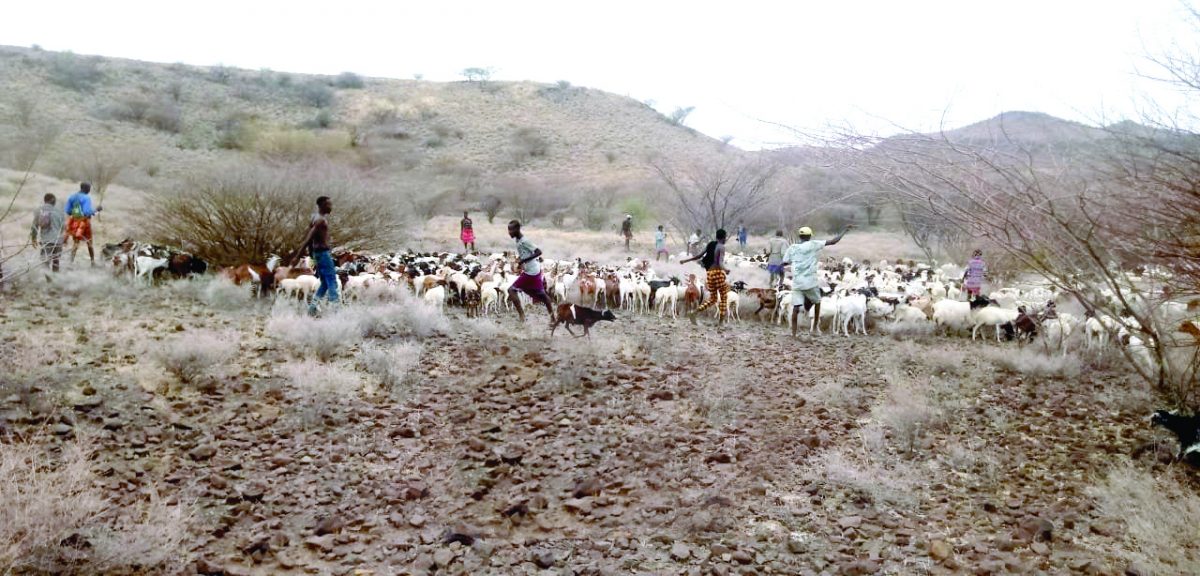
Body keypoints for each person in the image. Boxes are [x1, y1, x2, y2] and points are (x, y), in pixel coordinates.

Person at [784, 225, 852, 338]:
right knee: (818, 302)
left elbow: (785, 262)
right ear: (810, 236)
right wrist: (844, 230)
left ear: (799, 236)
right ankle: (815, 327)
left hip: (797, 282)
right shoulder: (814, 244)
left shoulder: (792, 248)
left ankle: (794, 333)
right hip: (810, 281)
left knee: (795, 307)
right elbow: (833, 241)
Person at [290, 196, 337, 316]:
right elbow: (308, 238)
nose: (331, 207)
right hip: (323, 253)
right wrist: (297, 256)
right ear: (322, 205)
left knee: (325, 284)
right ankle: (336, 311)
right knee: (332, 281)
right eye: (328, 204)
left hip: (317, 254)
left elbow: (311, 240)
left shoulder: (313, 218)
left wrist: (312, 255)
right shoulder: (320, 220)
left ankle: (312, 308)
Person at [506, 220, 555, 324]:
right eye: (508, 229)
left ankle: (522, 316)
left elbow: (538, 252)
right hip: (534, 270)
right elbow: (526, 253)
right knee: (542, 295)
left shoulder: (524, 241)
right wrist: (520, 260)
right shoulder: (518, 240)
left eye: (511, 230)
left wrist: (523, 261)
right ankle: (553, 318)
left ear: (517, 229)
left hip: (531, 272)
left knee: (511, 290)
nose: (509, 232)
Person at [682, 229, 731, 326]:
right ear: (724, 237)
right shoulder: (721, 247)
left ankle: (694, 312)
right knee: (724, 297)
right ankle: (721, 322)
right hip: (717, 273)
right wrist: (725, 270)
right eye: (725, 237)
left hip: (709, 274)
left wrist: (686, 260)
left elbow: (699, 256)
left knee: (713, 299)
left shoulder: (710, 244)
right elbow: (719, 262)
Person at [64, 182, 102, 265]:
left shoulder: (72, 197)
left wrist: (76, 214)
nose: (89, 190)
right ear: (86, 189)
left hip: (74, 221)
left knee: (76, 242)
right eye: (89, 188)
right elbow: (87, 212)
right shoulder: (86, 198)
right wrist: (96, 210)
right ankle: (92, 262)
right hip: (84, 222)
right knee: (89, 242)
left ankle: (70, 262)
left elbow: (67, 210)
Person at [30, 193, 66, 273]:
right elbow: (64, 227)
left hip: (47, 241)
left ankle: (48, 280)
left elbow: (34, 226)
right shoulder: (59, 211)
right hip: (58, 241)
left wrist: (33, 239)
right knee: (56, 262)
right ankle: (54, 280)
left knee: (45, 262)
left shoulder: (39, 210)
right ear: (52, 200)